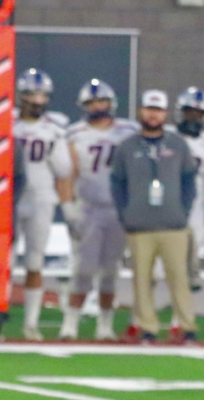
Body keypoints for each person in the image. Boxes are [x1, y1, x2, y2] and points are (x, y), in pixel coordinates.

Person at [111, 89, 198, 344]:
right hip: (139, 225)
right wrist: (125, 214)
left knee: (179, 277)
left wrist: (183, 211)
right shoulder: (127, 146)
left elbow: (189, 181)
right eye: (149, 108)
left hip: (173, 224)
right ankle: (148, 328)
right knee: (142, 280)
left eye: (158, 110)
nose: (153, 114)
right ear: (141, 111)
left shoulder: (177, 145)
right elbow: (117, 183)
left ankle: (186, 326)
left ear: (166, 114)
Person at [59, 79, 139, 341]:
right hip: (89, 208)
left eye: (101, 101)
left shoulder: (128, 131)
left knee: (110, 271)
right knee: (83, 269)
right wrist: (68, 205)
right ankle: (70, 323)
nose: (97, 106)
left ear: (111, 103)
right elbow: (67, 172)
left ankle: (105, 325)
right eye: (92, 102)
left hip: (117, 209)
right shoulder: (75, 133)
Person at [12, 68, 74, 341]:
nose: (37, 101)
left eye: (41, 96)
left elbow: (64, 170)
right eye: (32, 95)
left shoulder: (54, 129)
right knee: (3, 261)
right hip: (11, 199)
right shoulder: (7, 123)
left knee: (35, 261)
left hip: (40, 198)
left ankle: (31, 324)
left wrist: (68, 203)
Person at [171, 88, 204, 340]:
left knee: (187, 271)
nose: (193, 117)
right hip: (168, 209)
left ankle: (178, 322)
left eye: (199, 113)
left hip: (195, 211)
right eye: (189, 112)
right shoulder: (168, 138)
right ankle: (141, 321)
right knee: (161, 270)